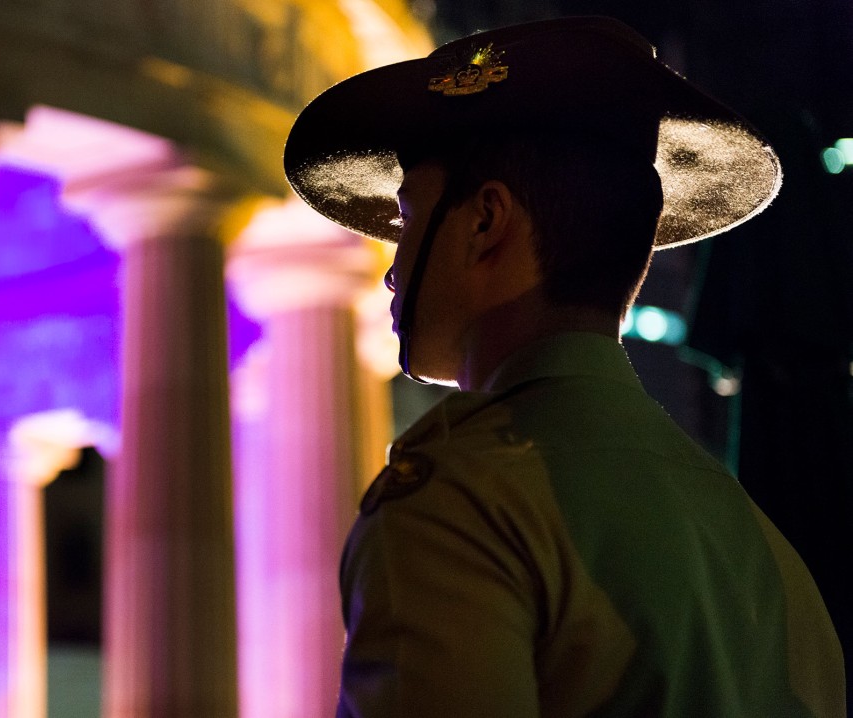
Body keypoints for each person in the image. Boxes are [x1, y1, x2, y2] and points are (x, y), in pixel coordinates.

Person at [283, 16, 846, 717]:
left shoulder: (463, 497)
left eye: (407, 220)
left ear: (486, 221)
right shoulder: (762, 552)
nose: (393, 274)